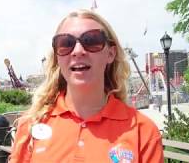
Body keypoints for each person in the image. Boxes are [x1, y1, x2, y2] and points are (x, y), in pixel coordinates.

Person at [9, 9, 163, 162]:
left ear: (110, 53)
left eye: (92, 41)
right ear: (57, 57)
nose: (77, 51)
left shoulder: (143, 131)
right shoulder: (31, 125)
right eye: (65, 43)